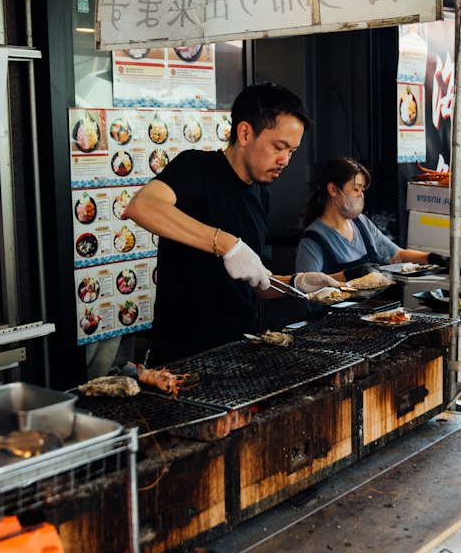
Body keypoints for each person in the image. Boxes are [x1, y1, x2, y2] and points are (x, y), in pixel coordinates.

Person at [125, 82, 312, 362]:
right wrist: (225, 243)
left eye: (292, 151)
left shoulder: (262, 195)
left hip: (240, 353)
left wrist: (298, 283)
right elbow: (142, 206)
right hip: (184, 356)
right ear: (245, 133)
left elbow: (254, 282)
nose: (285, 160)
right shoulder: (197, 169)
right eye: (279, 147)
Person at [294, 158, 436, 279]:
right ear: (333, 190)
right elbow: (307, 287)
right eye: (356, 189)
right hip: (332, 312)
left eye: (362, 190)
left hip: (374, 309)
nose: (360, 196)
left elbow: (396, 255)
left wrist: (430, 258)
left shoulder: (361, 222)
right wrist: (347, 276)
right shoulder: (312, 240)